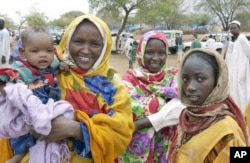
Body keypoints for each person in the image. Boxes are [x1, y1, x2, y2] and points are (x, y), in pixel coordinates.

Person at [1, 14, 134, 163]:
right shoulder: (48, 70)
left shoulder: (113, 87)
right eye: (78, 41)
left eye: (95, 44)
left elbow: (122, 134)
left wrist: (77, 130)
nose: (85, 50)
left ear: (105, 47)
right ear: (67, 41)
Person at [0, 26, 74, 163]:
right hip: (29, 111)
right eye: (35, 51)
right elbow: (6, 78)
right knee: (24, 135)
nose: (43, 55)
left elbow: (57, 63)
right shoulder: (21, 68)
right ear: (23, 52)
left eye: (49, 51)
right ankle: (18, 156)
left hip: (48, 107)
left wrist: (61, 65)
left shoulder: (51, 64)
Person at [168, 48, 248, 163]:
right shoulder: (187, 117)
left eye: (200, 79)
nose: (190, 87)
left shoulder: (228, 130)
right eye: (185, 79)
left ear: (217, 82)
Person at [118, 30, 185, 162]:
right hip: (134, 150)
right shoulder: (129, 77)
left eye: (161, 53)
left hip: (165, 145)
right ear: (141, 52)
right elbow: (127, 109)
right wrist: (164, 103)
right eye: (149, 52)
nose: (156, 58)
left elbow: (181, 107)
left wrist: (141, 122)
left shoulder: (174, 75)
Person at [225, 20, 250, 113]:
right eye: (231, 28)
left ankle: (244, 110)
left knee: (241, 89)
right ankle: (237, 109)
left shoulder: (242, 38)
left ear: (239, 28)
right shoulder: (233, 41)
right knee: (234, 88)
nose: (232, 30)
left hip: (242, 69)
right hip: (234, 69)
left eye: (234, 28)